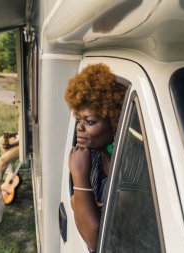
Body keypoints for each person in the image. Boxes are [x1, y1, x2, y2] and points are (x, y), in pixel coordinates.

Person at [64, 63, 127, 252]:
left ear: (115, 123)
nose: (79, 128)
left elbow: (95, 242)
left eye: (90, 122)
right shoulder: (94, 155)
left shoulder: (129, 167)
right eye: (79, 120)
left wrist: (80, 177)